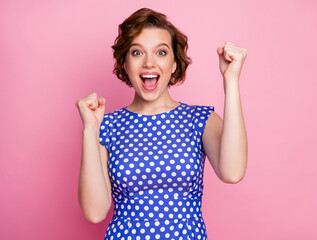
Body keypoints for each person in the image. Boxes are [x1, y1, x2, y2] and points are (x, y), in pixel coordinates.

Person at [75, 8, 248, 240]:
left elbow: (233, 172)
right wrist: (89, 130)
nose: (149, 63)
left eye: (161, 52)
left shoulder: (200, 120)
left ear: (175, 64)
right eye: (137, 53)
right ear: (125, 64)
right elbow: (95, 213)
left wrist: (231, 80)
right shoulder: (106, 126)